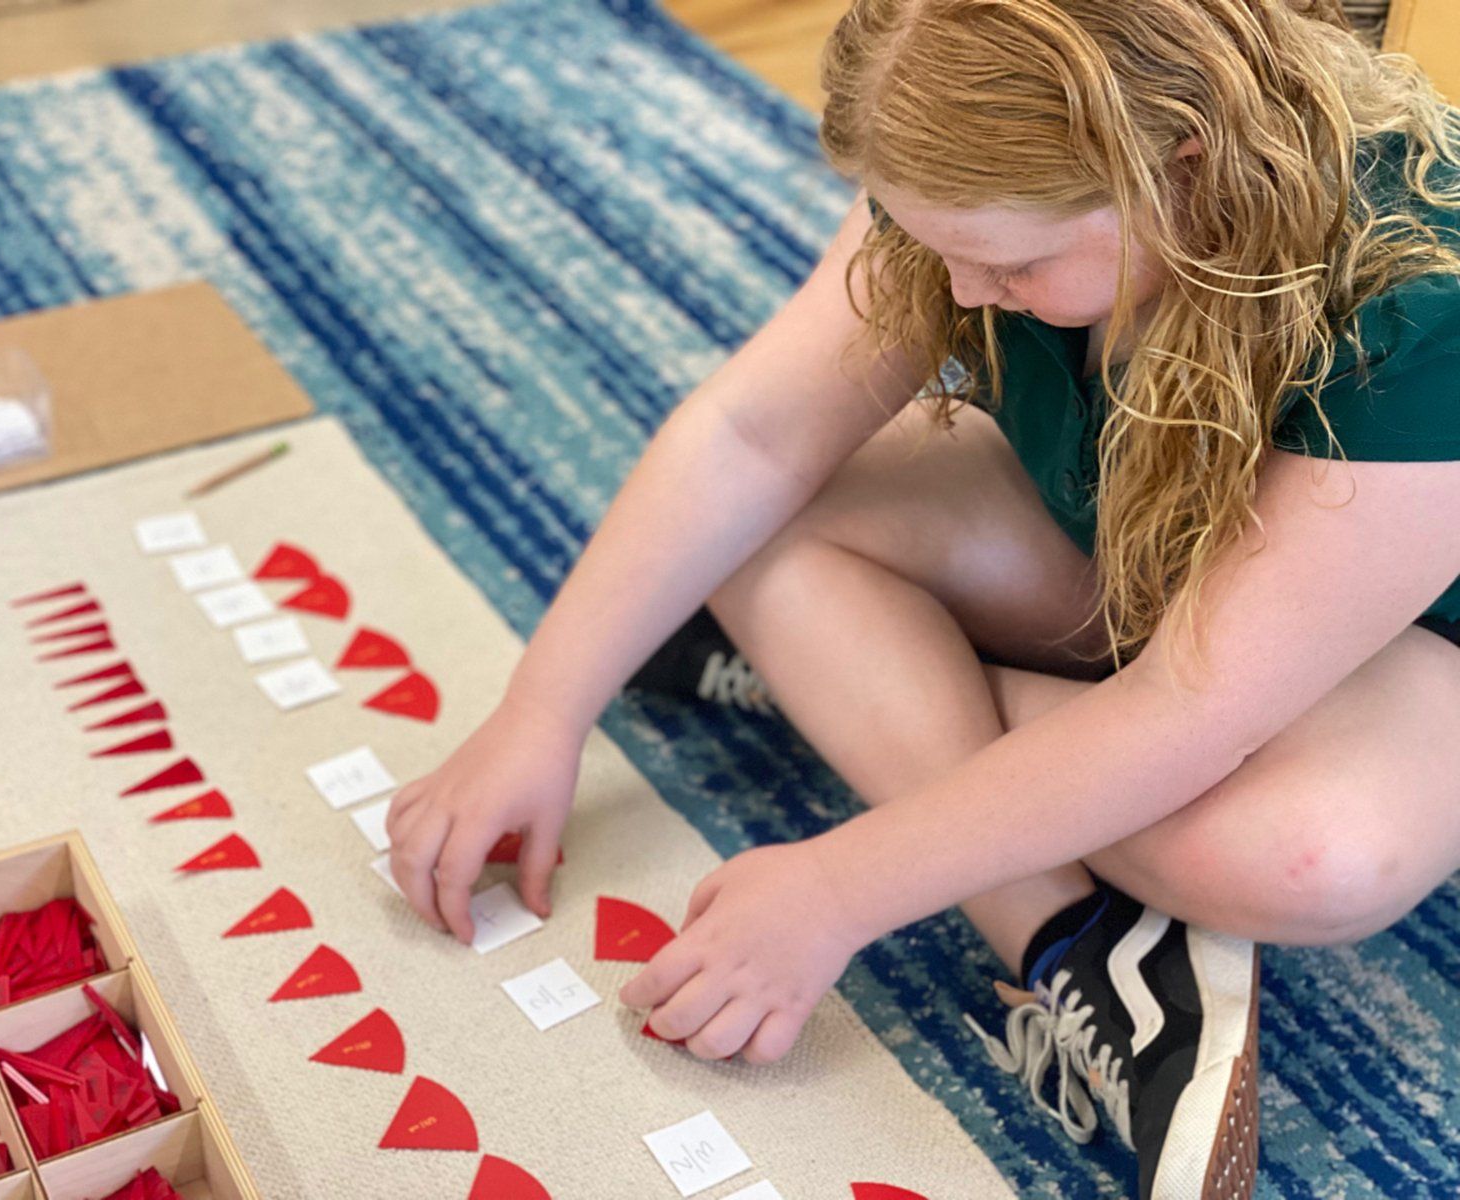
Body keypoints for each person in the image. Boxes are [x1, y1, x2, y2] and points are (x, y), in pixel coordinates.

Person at [382, 1, 1460, 1195]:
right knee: (756, 525)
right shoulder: (988, 181)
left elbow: (1190, 710)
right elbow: (748, 438)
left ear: (1181, 170)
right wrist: (540, 712)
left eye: (1009, 263)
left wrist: (840, 886)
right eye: (924, 236)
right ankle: (1066, 942)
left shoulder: (1426, 304)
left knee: (1309, 860)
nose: (961, 292)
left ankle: (863, 683)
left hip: (1394, 647)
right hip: (1126, 540)